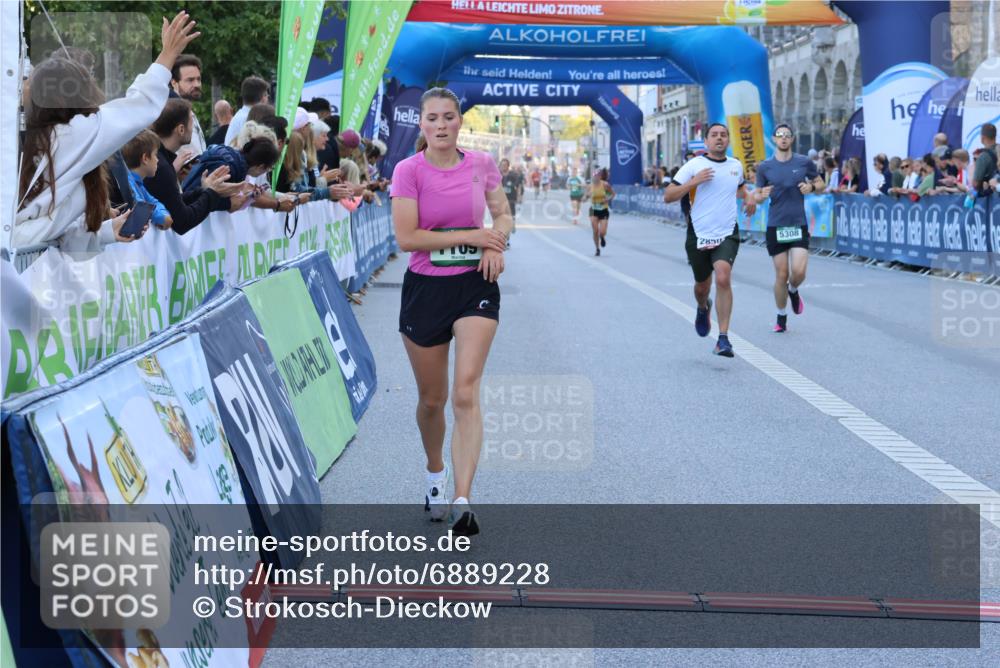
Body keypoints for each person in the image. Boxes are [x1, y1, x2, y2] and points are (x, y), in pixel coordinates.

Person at [390, 87, 512, 537]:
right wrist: (472, 236)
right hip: (425, 287)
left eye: (449, 117)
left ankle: (463, 499)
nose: (441, 125)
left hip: (475, 286)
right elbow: (408, 237)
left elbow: (503, 215)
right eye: (433, 118)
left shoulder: (481, 165)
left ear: (460, 121)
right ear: (421, 125)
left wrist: (496, 240)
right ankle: (434, 472)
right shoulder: (408, 171)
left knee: (465, 392)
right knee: (432, 400)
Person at [14, 12, 198, 251]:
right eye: (88, 79)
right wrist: (168, 55)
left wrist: (106, 232)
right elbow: (138, 106)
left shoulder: (45, 139)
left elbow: (53, 230)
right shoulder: (73, 135)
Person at [665, 123, 753, 357]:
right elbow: (668, 195)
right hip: (699, 232)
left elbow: (741, 189)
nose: (719, 139)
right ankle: (703, 307)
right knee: (702, 286)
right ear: (706, 142)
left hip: (727, 231)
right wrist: (694, 182)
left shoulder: (736, 166)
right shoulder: (694, 165)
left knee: (723, 277)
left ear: (728, 140)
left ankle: (723, 339)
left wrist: (750, 198)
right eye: (714, 135)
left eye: (723, 135)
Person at [753, 124, 825, 333]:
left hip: (797, 224)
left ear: (792, 139)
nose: (783, 139)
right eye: (780, 135)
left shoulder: (803, 162)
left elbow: (821, 184)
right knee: (781, 274)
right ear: (774, 139)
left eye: (787, 135)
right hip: (776, 225)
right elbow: (756, 196)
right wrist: (761, 196)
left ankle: (794, 290)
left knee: (799, 272)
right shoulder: (765, 167)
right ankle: (781, 316)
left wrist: (811, 187)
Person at [145, 98, 243, 234]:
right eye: (193, 123)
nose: (194, 129)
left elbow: (174, 202)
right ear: (180, 129)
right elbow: (182, 221)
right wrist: (211, 193)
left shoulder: (161, 160)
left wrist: (205, 190)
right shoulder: (160, 166)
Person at [121, 129, 171, 229]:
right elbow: (139, 206)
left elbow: (154, 202)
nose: (158, 160)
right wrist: (162, 218)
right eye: (155, 155)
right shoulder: (127, 182)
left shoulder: (138, 184)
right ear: (145, 158)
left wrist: (163, 216)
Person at [170, 53, 206, 155]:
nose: (197, 84)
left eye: (198, 79)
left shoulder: (189, 112)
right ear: (174, 82)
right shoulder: (171, 114)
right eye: (190, 80)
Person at [224, 75, 269, 146]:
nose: (267, 99)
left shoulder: (241, 116)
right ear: (262, 98)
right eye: (266, 95)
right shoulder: (248, 119)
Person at [584, 171, 615, 256]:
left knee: (602, 232)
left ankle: (602, 237)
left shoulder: (605, 185)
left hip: (603, 209)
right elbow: (585, 197)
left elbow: (613, 194)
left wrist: (607, 199)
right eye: (594, 176)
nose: (596, 178)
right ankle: (597, 248)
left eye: (597, 176)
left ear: (600, 177)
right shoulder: (590, 186)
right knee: (595, 231)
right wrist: (586, 197)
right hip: (593, 210)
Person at [972, 123, 998, 195]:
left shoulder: (983, 157)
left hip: (992, 200)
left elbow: (975, 184)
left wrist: (975, 163)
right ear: (995, 136)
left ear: (982, 138)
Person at [499, 159, 519, 245]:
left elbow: (518, 187)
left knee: (510, 218)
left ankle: (513, 224)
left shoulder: (513, 175)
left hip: (511, 199)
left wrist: (519, 197)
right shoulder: (497, 175)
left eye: (505, 165)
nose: (503, 166)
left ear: (508, 166)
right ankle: (506, 239)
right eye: (502, 165)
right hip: (500, 201)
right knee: (503, 220)